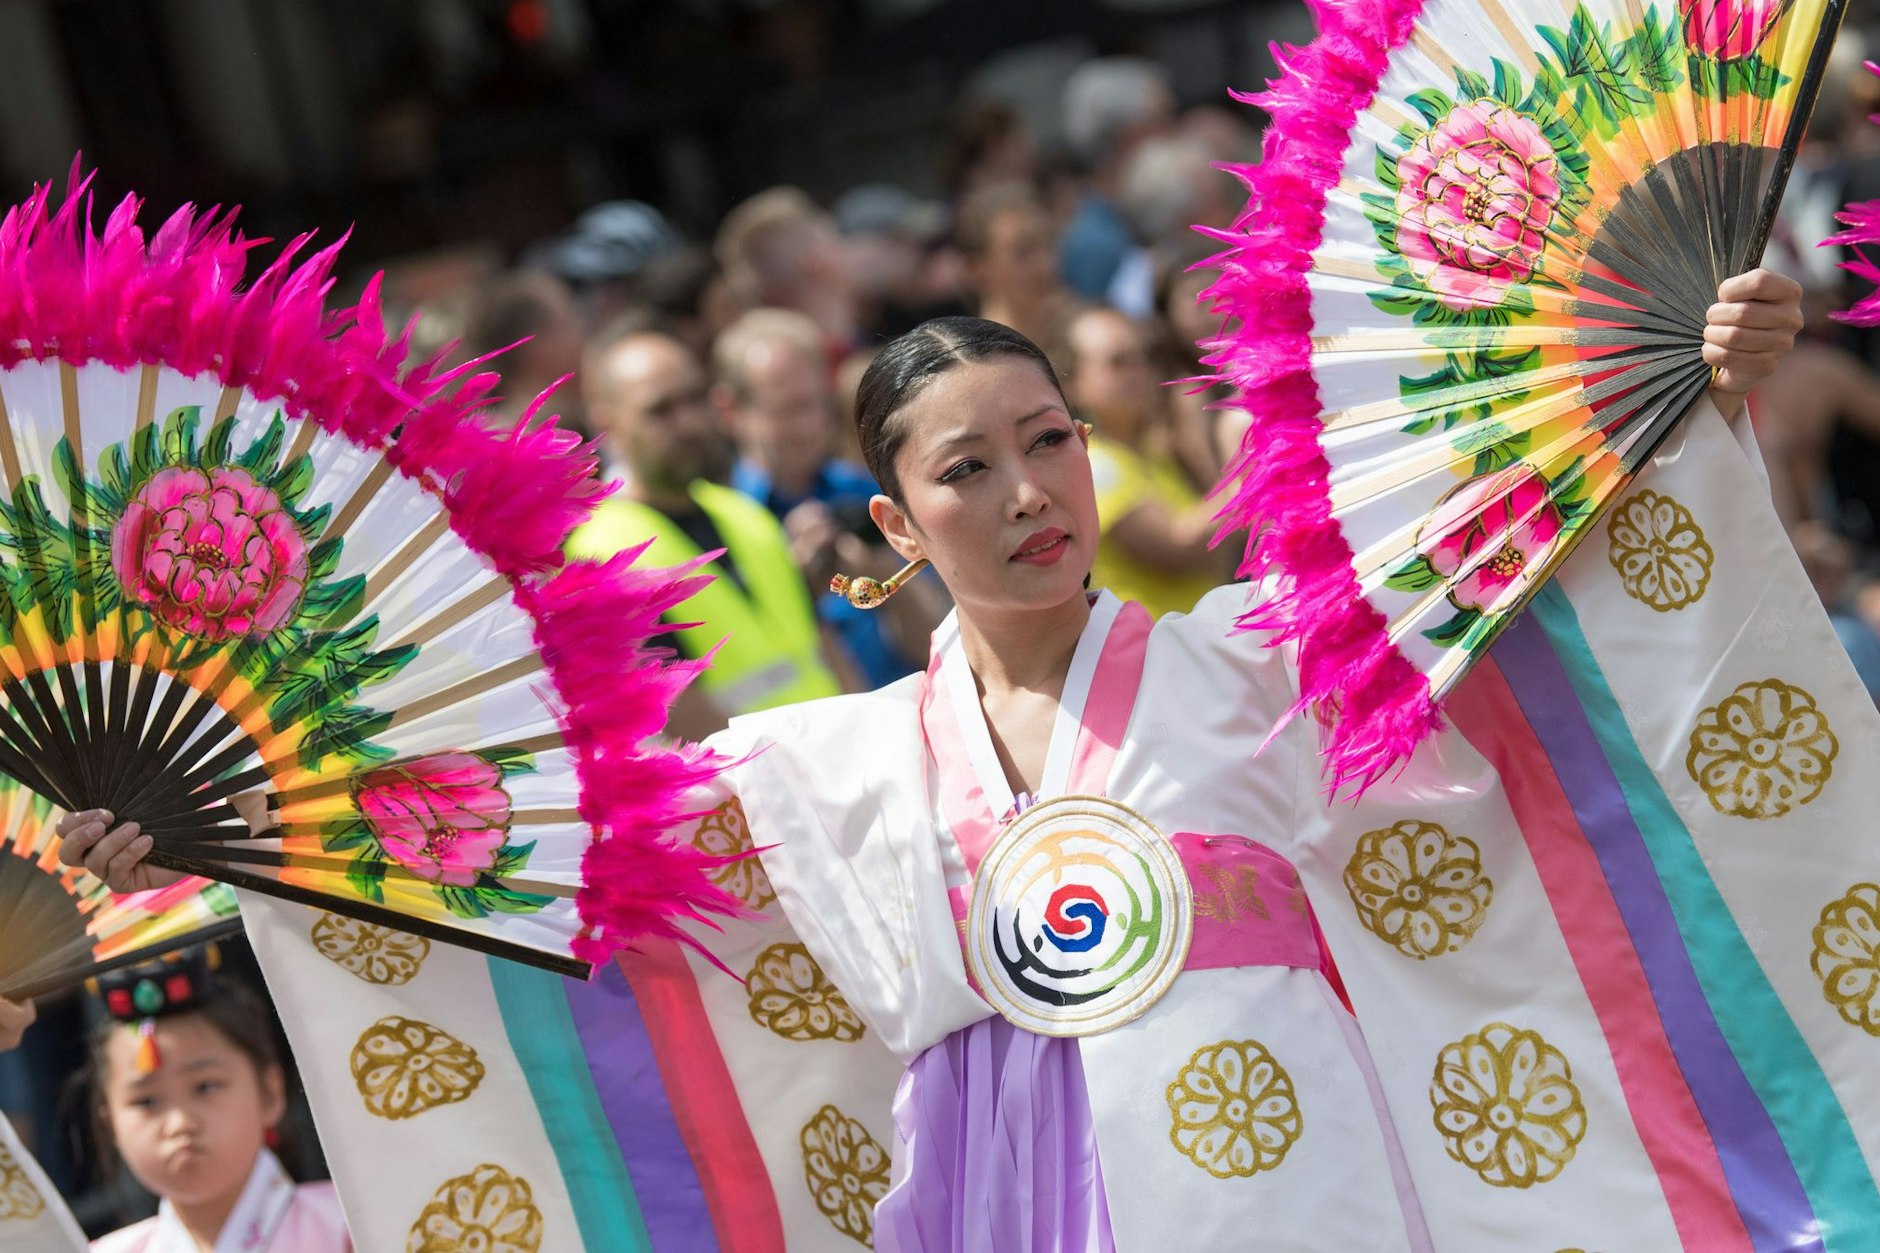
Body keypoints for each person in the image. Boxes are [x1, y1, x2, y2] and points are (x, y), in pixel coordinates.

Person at [64, 274, 1838, 1248]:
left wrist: (1681, 387)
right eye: (964, 467)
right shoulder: (820, 763)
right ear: (893, 516)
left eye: (1049, 440)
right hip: (1010, 1201)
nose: (1027, 494)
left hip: (1298, 1192)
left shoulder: (1246, 659)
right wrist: (227, 828)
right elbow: (534, 845)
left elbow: (1516, 573)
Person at [574, 323, 842, 738]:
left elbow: (823, 647)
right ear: (607, 423)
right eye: (660, 410)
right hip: (748, 790)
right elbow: (682, 721)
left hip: (839, 758)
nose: (689, 423)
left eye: (694, 399)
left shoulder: (742, 512)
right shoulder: (602, 557)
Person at [715, 308, 941, 688]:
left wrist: (888, 575)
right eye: (785, 409)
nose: (807, 426)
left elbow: (940, 643)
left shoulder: (869, 494)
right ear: (731, 410)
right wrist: (794, 593)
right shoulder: (724, 523)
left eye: (814, 404)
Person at [84, 948, 350, 1252]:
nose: (179, 1123)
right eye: (146, 1102)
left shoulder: (355, 1228)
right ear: (110, 1124)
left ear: (269, 1093)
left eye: (206, 1087)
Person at [1061, 303, 1233, 618]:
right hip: (1151, 655)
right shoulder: (1092, 464)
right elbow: (1178, 546)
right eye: (1118, 362)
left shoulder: (1152, 452)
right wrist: (1249, 481)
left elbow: (1214, 550)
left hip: (1191, 643)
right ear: (1075, 384)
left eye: (1144, 358)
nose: (1138, 373)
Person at [715, 187, 863, 357]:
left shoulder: (771, 363)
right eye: (840, 238)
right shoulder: (837, 365)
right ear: (820, 262)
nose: (854, 248)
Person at [957, 181, 1067, 354]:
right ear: (977, 270)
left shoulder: (1084, 339)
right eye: (1023, 252)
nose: (1046, 264)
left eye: (1048, 244)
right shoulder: (973, 363)